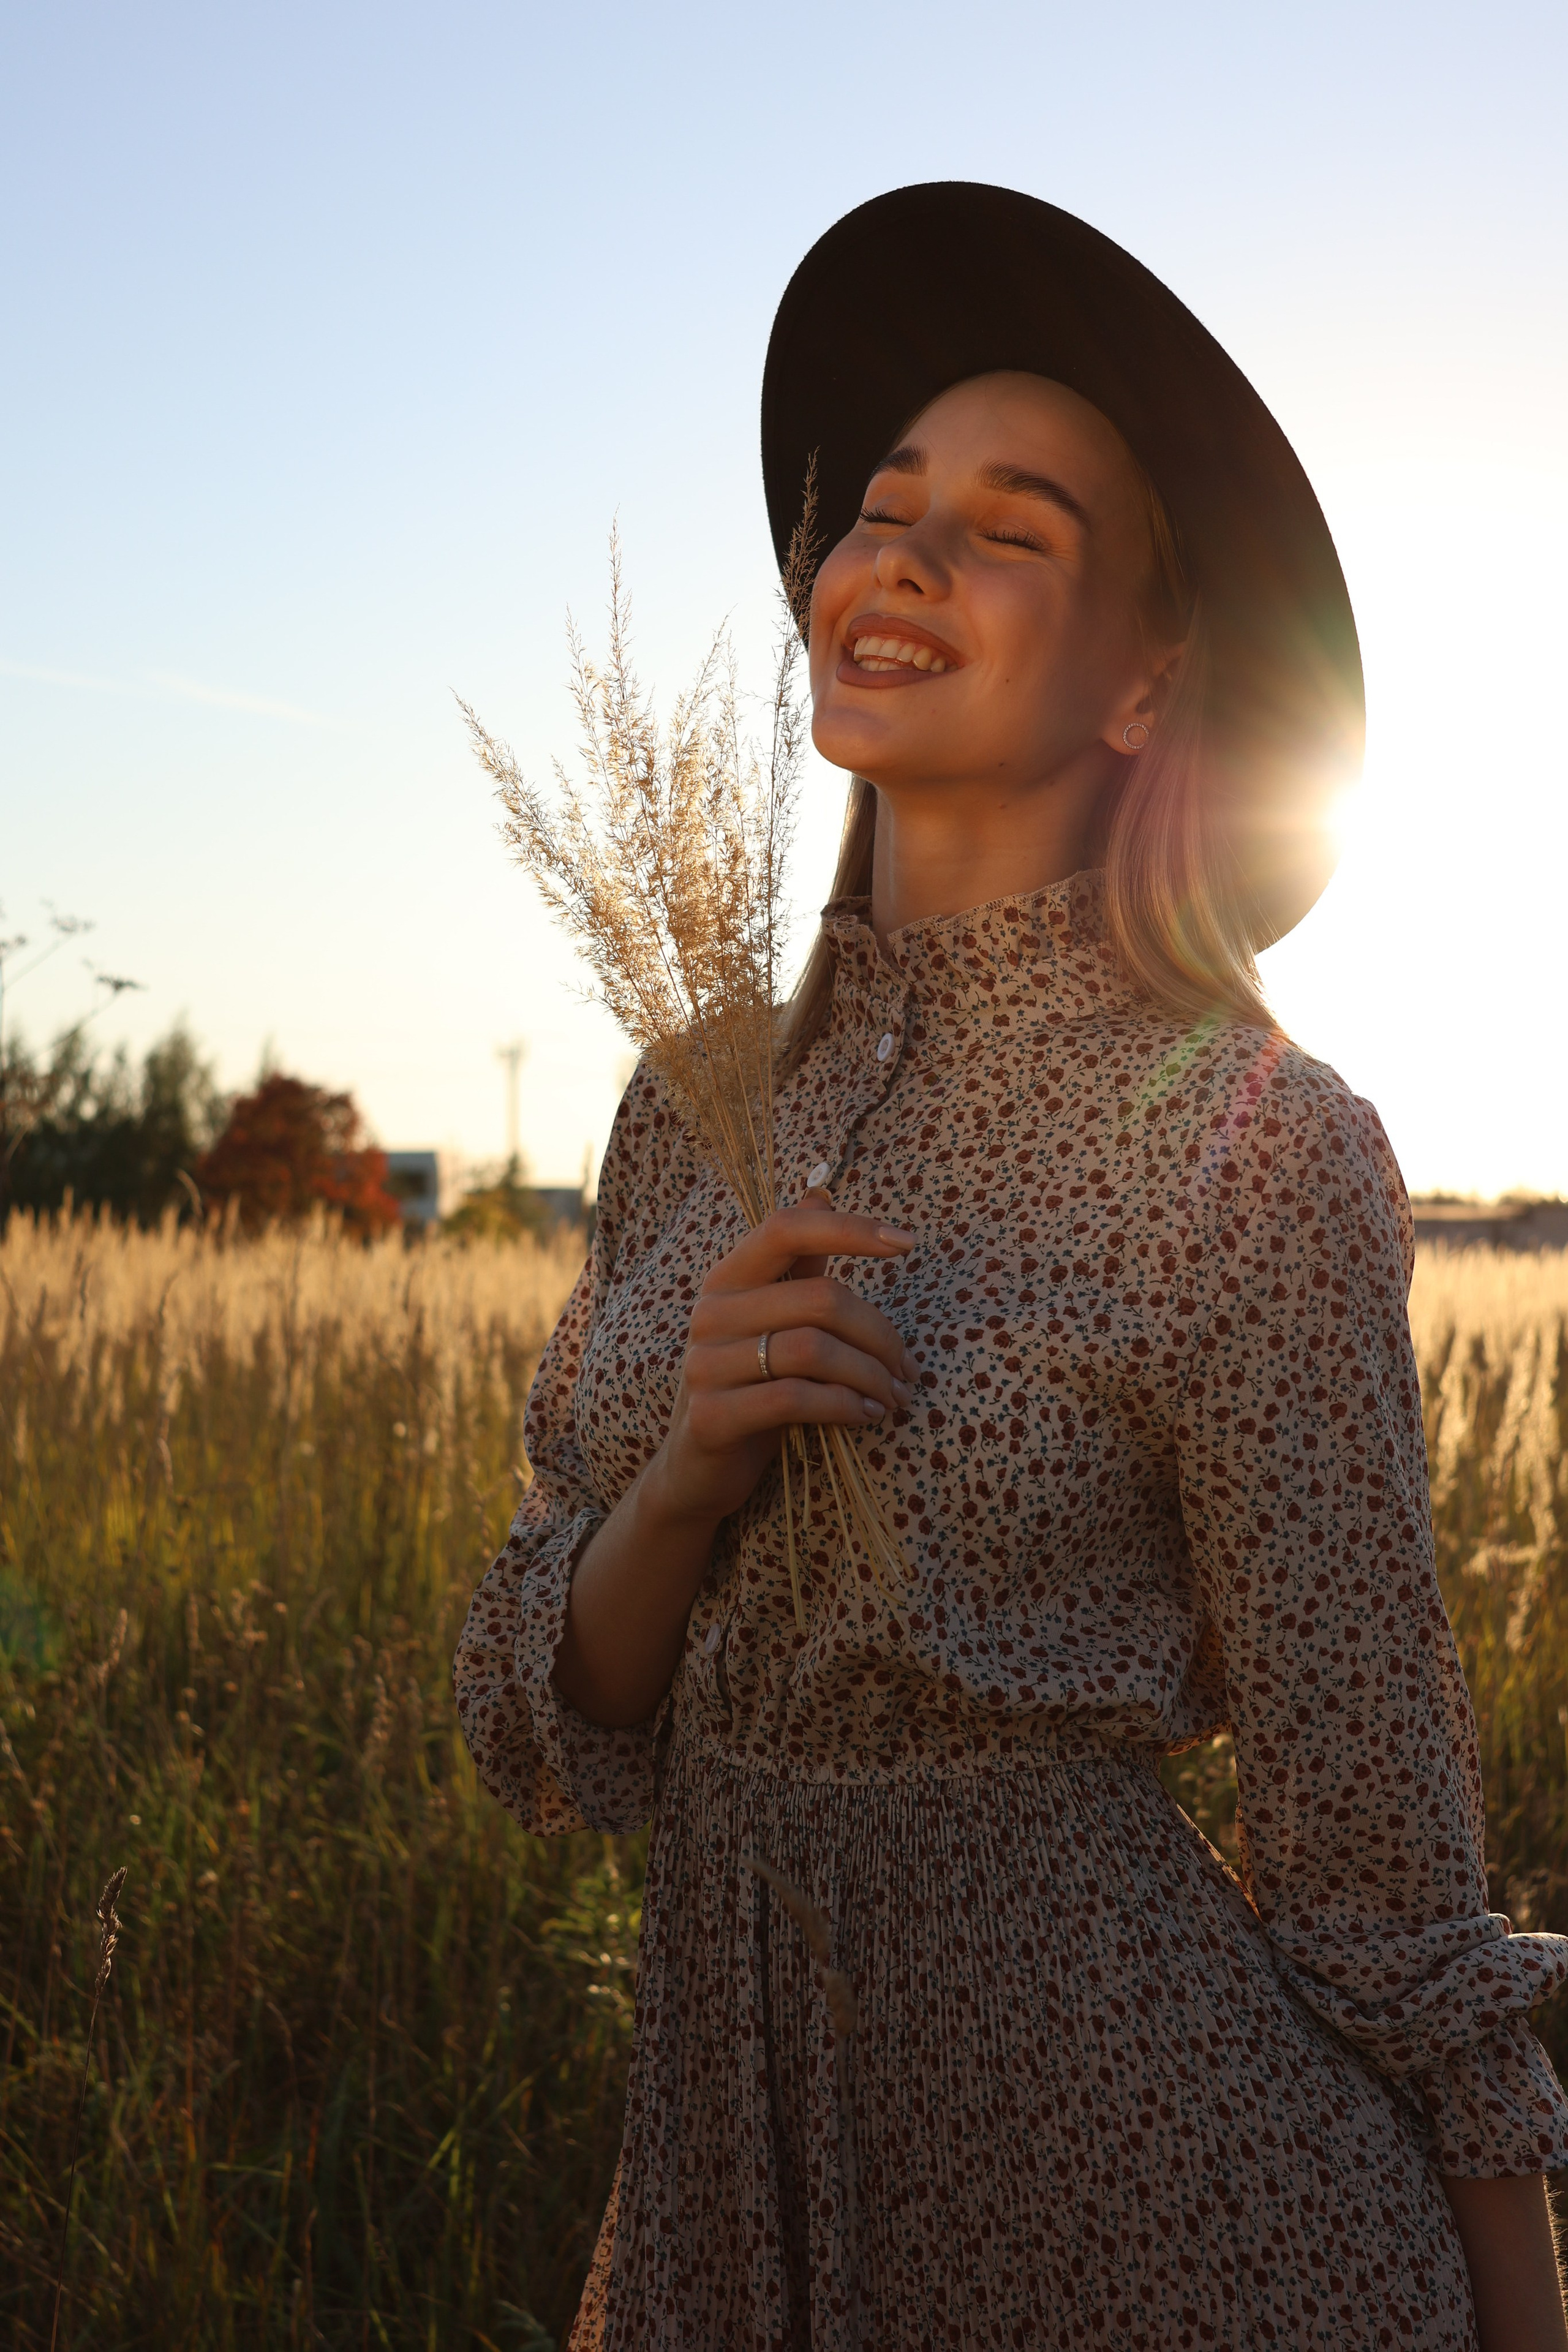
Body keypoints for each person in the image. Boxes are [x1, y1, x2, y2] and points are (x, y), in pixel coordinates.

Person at [454, 184, 1568, 2350]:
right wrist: (685, 1475)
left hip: (1150, 2210)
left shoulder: (1258, 1147)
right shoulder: (688, 1109)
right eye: (885, 508)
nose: (905, 555)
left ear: (1152, 679)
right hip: (718, 2191)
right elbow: (534, 1735)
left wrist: (1523, 2319)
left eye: (1012, 526)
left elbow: (1378, 1846)